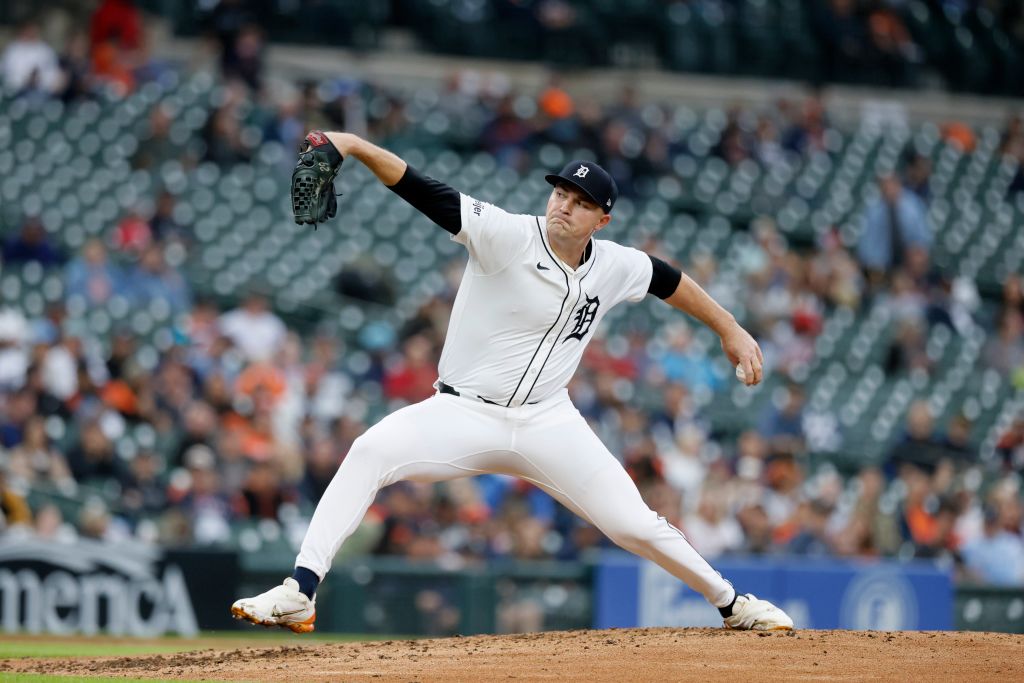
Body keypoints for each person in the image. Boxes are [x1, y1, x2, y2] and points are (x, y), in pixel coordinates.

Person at [230, 131, 793, 632]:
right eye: (560, 194)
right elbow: (420, 187)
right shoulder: (506, 235)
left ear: (603, 220)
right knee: (369, 450)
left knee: (633, 524)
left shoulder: (614, 264)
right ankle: (300, 591)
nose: (564, 206)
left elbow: (668, 280)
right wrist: (351, 145)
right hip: (463, 414)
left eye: (580, 203)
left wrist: (731, 328)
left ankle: (731, 603)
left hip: (548, 420)